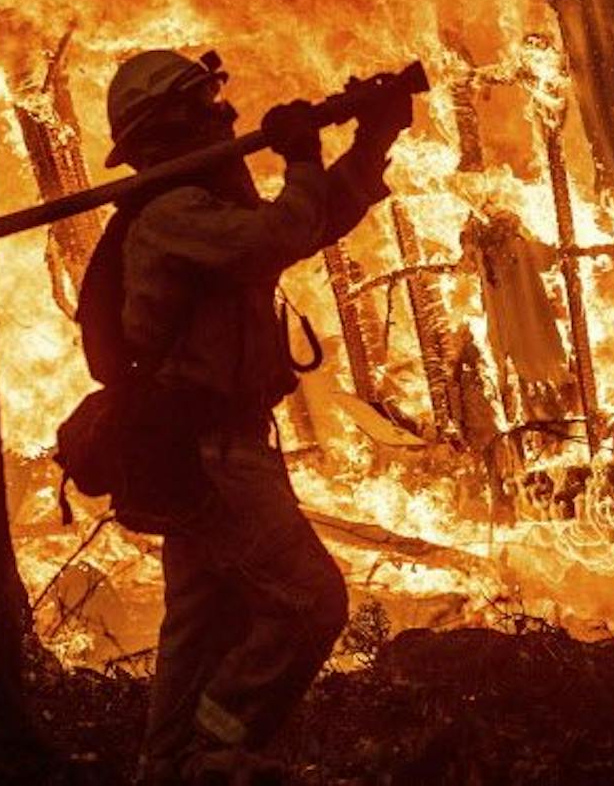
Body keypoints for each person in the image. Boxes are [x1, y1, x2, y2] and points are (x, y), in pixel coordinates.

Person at [76, 48, 409, 785]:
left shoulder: (198, 211)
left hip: (200, 451)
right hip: (211, 455)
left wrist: (371, 142)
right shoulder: (171, 215)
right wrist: (300, 156)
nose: (226, 114)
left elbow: (307, 221)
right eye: (207, 105)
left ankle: (165, 765)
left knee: (201, 625)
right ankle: (215, 743)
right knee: (312, 603)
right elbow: (277, 235)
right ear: (167, 127)